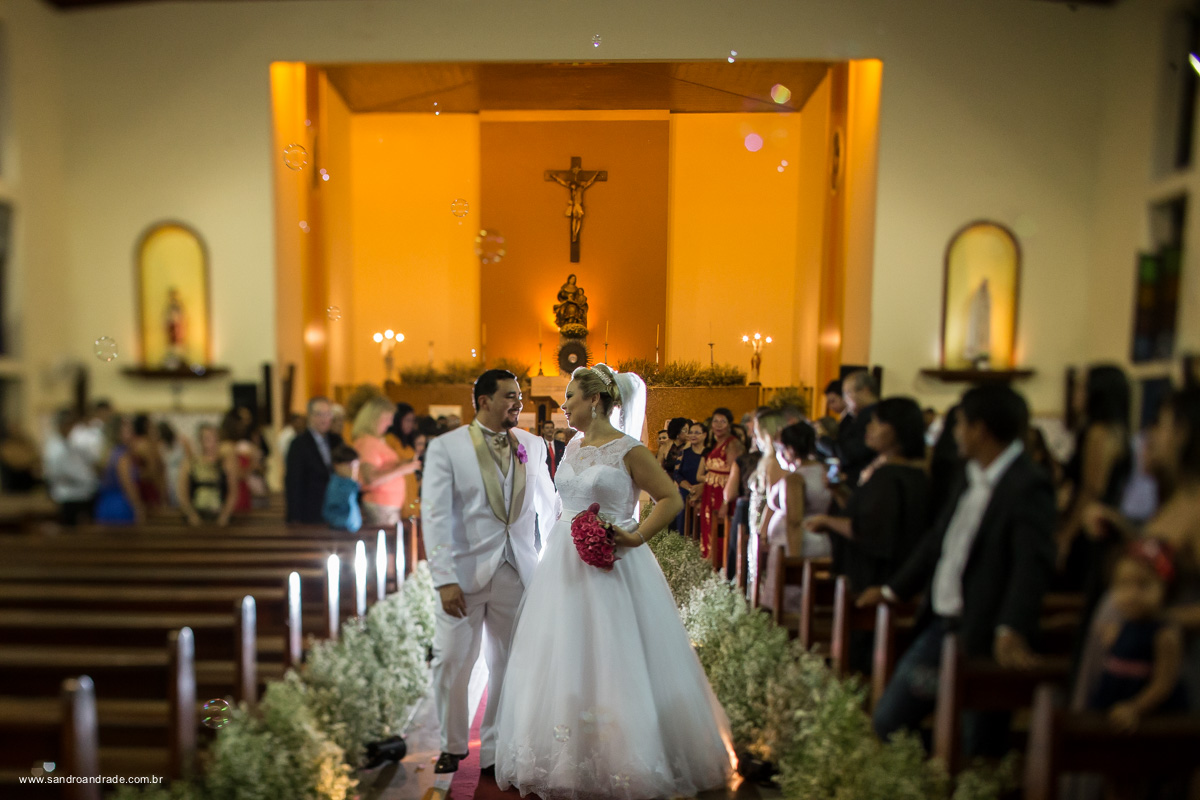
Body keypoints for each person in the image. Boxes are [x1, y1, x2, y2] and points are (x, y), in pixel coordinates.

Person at [494, 365, 735, 798]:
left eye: (570, 396)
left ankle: (624, 757)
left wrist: (635, 536)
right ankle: (565, 755)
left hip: (613, 561)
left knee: (613, 652)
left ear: (595, 400)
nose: (564, 404)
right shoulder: (572, 446)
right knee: (564, 651)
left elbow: (670, 498)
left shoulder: (629, 449)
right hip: (563, 562)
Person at [865, 384, 1056, 757]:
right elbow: (939, 540)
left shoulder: (1027, 484)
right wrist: (892, 590)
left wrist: (1011, 627)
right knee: (890, 720)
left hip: (984, 632)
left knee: (976, 746)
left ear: (980, 430)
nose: (955, 434)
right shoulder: (970, 474)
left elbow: (1031, 563)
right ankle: (926, 778)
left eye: (960, 424)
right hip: (942, 627)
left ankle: (941, 779)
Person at [421, 370, 559, 775]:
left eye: (519, 396)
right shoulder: (447, 448)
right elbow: (435, 517)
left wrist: (555, 558)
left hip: (516, 568)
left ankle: (495, 748)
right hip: (462, 576)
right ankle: (452, 744)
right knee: (450, 660)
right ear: (484, 401)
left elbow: (547, 503)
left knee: (510, 662)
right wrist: (444, 579)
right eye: (510, 396)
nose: (519, 403)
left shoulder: (533, 445)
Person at [806, 397, 930, 595]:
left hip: (875, 578)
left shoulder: (890, 475)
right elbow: (864, 514)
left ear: (897, 429)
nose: (869, 428)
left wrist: (827, 521)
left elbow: (868, 530)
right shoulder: (910, 471)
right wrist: (838, 491)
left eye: (877, 422)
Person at [1087, 538, 1187, 728]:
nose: (1131, 595)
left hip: (1148, 717)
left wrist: (1135, 707)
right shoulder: (1123, 625)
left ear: (1165, 587)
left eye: (1143, 585)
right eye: (1123, 584)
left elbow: (1163, 684)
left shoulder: (1164, 634)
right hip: (1113, 703)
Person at [1057, 365, 1133, 599]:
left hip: (1087, 529)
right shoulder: (1118, 430)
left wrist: (1066, 536)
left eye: (1082, 387)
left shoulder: (1098, 432)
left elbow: (1091, 490)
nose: (1076, 394)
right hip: (1102, 523)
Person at [761, 422, 833, 615]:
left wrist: (793, 563)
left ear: (790, 449)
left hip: (797, 546)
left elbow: (793, 521)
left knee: (789, 608)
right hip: (820, 540)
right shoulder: (825, 471)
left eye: (781, 449)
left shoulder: (795, 478)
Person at [353, 397, 419, 527]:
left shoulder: (375, 441)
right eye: (387, 418)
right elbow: (370, 478)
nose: (390, 423)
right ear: (374, 419)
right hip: (380, 504)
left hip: (387, 505)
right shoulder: (368, 443)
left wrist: (402, 464)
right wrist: (402, 469)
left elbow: (383, 468)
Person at [285, 397, 342, 524]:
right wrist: (294, 517)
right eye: (319, 414)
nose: (324, 419)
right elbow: (294, 482)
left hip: (335, 510)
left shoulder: (336, 441)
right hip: (310, 512)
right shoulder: (298, 444)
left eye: (327, 414)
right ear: (309, 416)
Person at [699, 407, 745, 564]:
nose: (718, 425)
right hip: (710, 492)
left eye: (723, 422)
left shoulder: (732, 444)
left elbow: (735, 474)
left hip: (723, 493)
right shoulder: (715, 443)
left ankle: (720, 565)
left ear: (729, 425)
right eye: (715, 421)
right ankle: (709, 562)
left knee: (720, 529)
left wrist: (726, 502)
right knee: (708, 527)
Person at [43, 408, 99, 525]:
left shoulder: (70, 443)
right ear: (62, 425)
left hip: (82, 493)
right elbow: (56, 473)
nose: (72, 429)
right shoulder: (54, 447)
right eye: (69, 425)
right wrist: (87, 479)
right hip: (68, 495)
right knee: (70, 530)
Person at [177, 423, 236, 527]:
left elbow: (233, 492)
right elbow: (182, 492)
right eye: (207, 439)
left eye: (214, 438)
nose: (212, 443)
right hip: (196, 516)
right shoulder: (190, 463)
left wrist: (225, 515)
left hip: (220, 516)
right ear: (200, 441)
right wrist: (191, 515)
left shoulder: (225, 463)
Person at [94, 415, 145, 525]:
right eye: (127, 428)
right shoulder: (122, 456)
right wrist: (138, 507)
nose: (132, 431)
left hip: (105, 503)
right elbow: (128, 485)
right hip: (121, 504)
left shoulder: (107, 453)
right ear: (118, 432)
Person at [836, 370, 881, 489]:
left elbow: (851, 453)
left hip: (863, 483)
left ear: (865, 391)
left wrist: (826, 441)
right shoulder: (858, 416)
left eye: (848, 393)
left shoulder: (871, 416)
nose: (845, 400)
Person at [673, 421, 706, 533]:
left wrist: (699, 488)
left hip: (703, 492)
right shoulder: (683, 453)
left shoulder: (709, 453)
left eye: (697, 433)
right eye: (691, 432)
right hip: (685, 492)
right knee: (683, 526)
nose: (693, 435)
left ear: (704, 435)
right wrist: (690, 488)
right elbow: (677, 474)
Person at [323, 444, 363, 533]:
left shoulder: (350, 484)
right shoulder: (336, 485)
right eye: (349, 466)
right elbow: (335, 508)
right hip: (341, 529)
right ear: (336, 465)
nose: (353, 470)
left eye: (356, 466)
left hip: (350, 528)